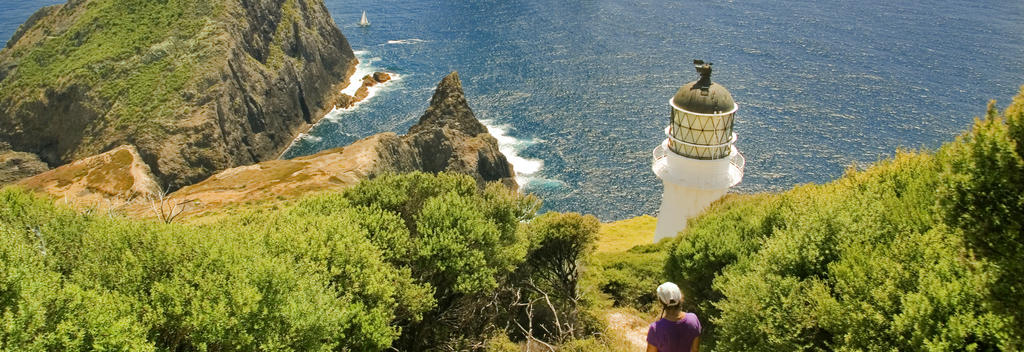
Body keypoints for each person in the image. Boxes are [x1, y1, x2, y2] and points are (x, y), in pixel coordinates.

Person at [646, 282, 701, 352]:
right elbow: (695, 350)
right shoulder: (693, 319)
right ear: (680, 297)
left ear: (661, 301)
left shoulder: (655, 329)